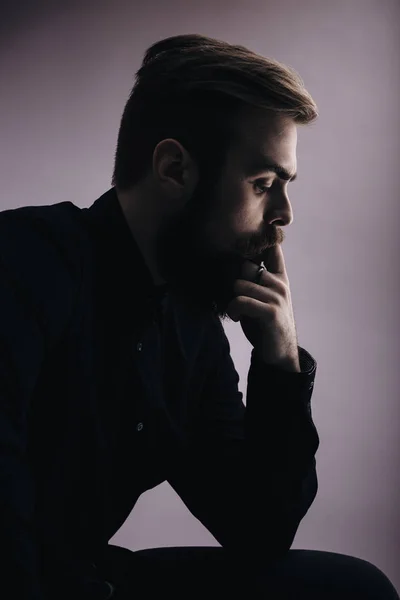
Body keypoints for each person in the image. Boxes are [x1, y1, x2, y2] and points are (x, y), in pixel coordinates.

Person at [0, 33, 398, 600]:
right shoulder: (21, 265)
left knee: (353, 590)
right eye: (263, 185)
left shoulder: (190, 328)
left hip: (87, 575)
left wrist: (280, 360)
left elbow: (257, 531)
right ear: (173, 168)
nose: (283, 215)